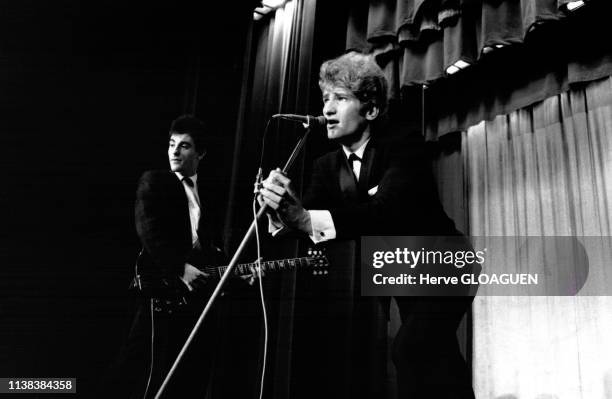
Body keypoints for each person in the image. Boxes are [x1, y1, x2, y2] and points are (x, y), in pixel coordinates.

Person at [259, 52, 475, 398]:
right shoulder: (326, 166)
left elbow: (384, 211)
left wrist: (303, 217)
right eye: (326, 98)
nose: (327, 109)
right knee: (437, 357)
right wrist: (278, 211)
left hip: (446, 265)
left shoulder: (404, 145)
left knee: (410, 350)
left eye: (340, 99)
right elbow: (309, 225)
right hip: (402, 276)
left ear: (371, 109)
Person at [105, 115, 226, 398]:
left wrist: (235, 270)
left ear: (201, 153)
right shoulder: (155, 181)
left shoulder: (208, 194)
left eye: (184, 146)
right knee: (143, 370)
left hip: (192, 299)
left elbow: (212, 247)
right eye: (172, 144)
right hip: (159, 291)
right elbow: (148, 230)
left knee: (188, 373)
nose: (174, 151)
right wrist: (179, 268)